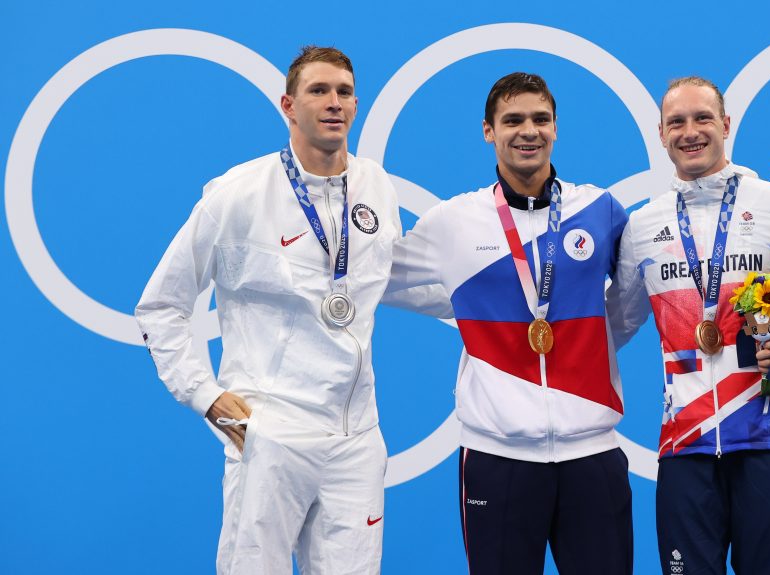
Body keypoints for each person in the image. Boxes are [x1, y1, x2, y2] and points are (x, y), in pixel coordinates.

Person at [136, 46, 399, 575]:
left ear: (356, 105)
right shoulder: (237, 194)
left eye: (344, 92)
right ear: (288, 105)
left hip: (356, 440)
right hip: (270, 433)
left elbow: (396, 278)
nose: (334, 102)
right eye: (318, 91)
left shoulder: (376, 185)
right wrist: (203, 394)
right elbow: (162, 304)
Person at [385, 72, 633, 574]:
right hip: (496, 456)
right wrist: (466, 306)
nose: (528, 131)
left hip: (591, 452)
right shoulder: (455, 220)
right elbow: (380, 279)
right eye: (513, 120)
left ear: (556, 127)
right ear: (488, 131)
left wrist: (596, 344)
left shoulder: (599, 210)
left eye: (541, 119)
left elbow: (632, 297)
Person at [606, 77, 770, 575]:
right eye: (677, 122)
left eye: (702, 118)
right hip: (685, 444)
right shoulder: (642, 226)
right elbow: (613, 326)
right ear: (661, 133)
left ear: (725, 124)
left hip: (768, 438)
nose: (690, 132)